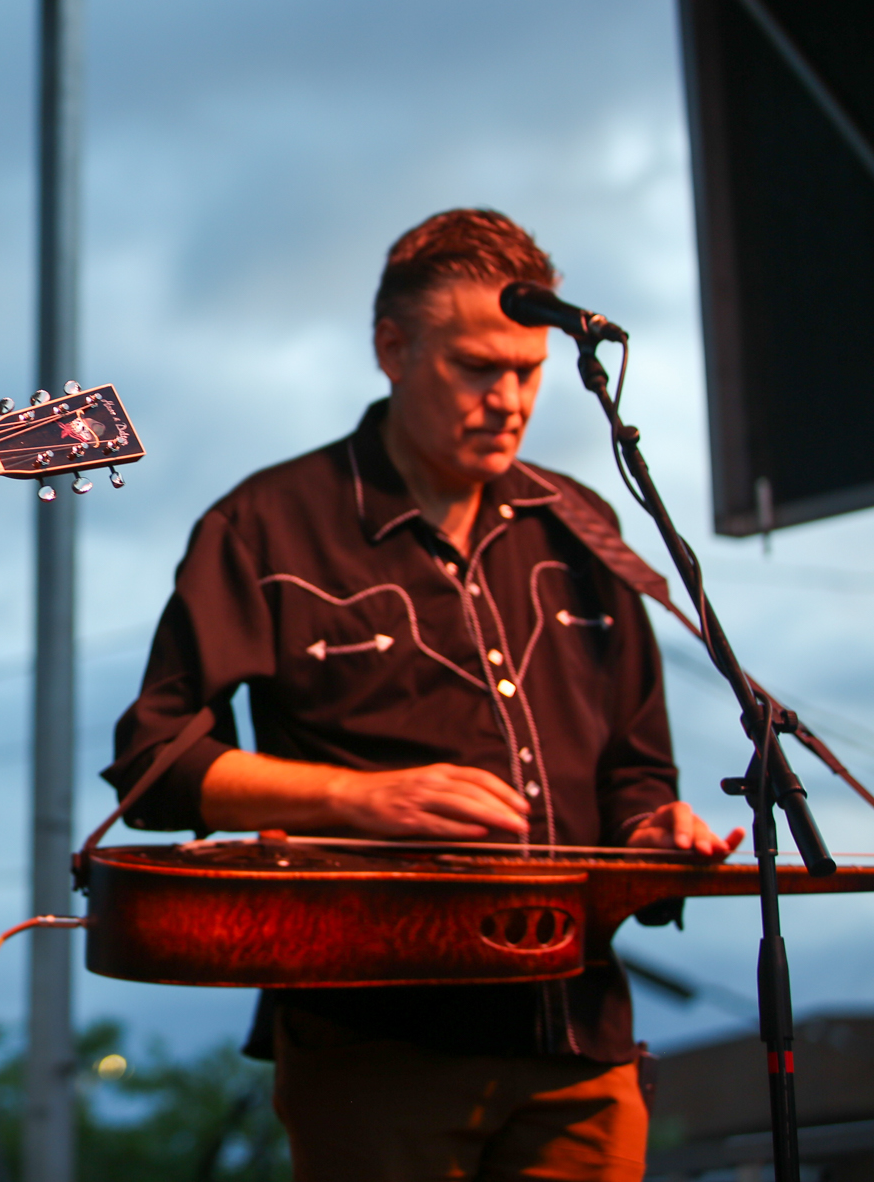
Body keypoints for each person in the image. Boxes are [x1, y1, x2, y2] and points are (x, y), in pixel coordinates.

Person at [104, 208, 741, 1182]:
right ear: (390, 349)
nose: (507, 398)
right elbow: (153, 765)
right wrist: (358, 798)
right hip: (374, 1044)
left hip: (579, 1039)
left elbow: (635, 769)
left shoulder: (583, 524)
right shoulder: (262, 525)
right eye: (474, 368)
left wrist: (653, 832)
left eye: (524, 372)